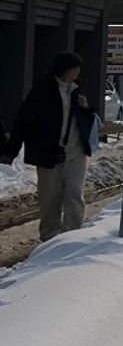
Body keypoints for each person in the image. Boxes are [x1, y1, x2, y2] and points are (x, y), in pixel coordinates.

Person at [2, 51, 96, 243]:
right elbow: (23, 121)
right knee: (49, 196)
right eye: (75, 68)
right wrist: (10, 151)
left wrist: (86, 107)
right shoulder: (42, 90)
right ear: (66, 70)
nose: (77, 72)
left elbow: (89, 116)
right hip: (47, 150)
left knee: (73, 193)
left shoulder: (78, 89)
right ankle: (50, 237)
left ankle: (73, 236)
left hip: (75, 149)